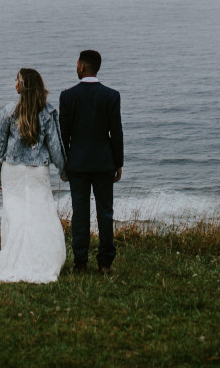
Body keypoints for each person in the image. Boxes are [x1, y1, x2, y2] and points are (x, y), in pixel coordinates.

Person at [0, 68, 68, 283]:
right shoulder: (47, 112)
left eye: (17, 79)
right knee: (41, 212)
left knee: (15, 215)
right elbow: (55, 147)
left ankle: (13, 257)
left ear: (23, 85)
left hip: (13, 170)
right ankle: (43, 259)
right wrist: (64, 171)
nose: (14, 83)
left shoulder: (10, 111)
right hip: (38, 171)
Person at [59, 49, 123, 275]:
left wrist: (64, 163)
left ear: (81, 66)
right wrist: (119, 162)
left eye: (77, 64)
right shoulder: (111, 95)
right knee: (105, 212)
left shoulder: (67, 96)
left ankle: (80, 262)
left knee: (80, 213)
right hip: (104, 162)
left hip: (77, 163)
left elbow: (63, 135)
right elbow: (116, 133)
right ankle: (105, 263)